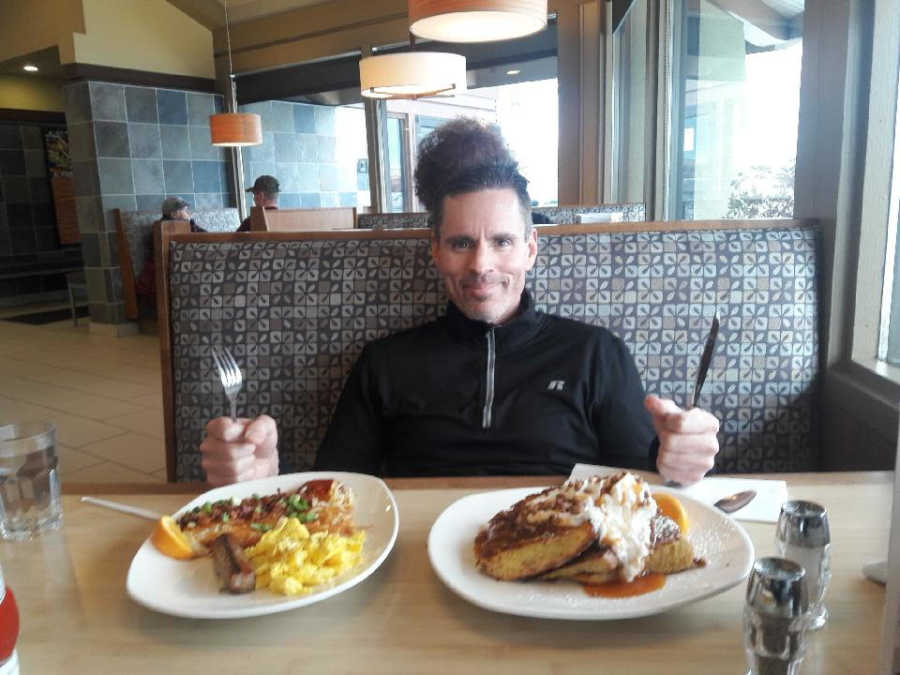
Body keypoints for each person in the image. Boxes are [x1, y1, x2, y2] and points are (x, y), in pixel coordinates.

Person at [200, 119, 719, 487]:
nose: (480, 267)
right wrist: (262, 478)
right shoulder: (384, 362)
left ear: (531, 249)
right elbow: (340, 493)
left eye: (503, 242)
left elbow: (642, 485)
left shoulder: (596, 353)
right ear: (436, 251)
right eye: (461, 243)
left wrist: (677, 462)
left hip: (568, 567)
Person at [135, 197, 205, 303]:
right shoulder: (165, 229)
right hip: (163, 274)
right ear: (174, 214)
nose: (188, 213)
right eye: (185, 211)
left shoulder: (184, 225)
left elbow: (204, 236)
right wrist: (191, 223)